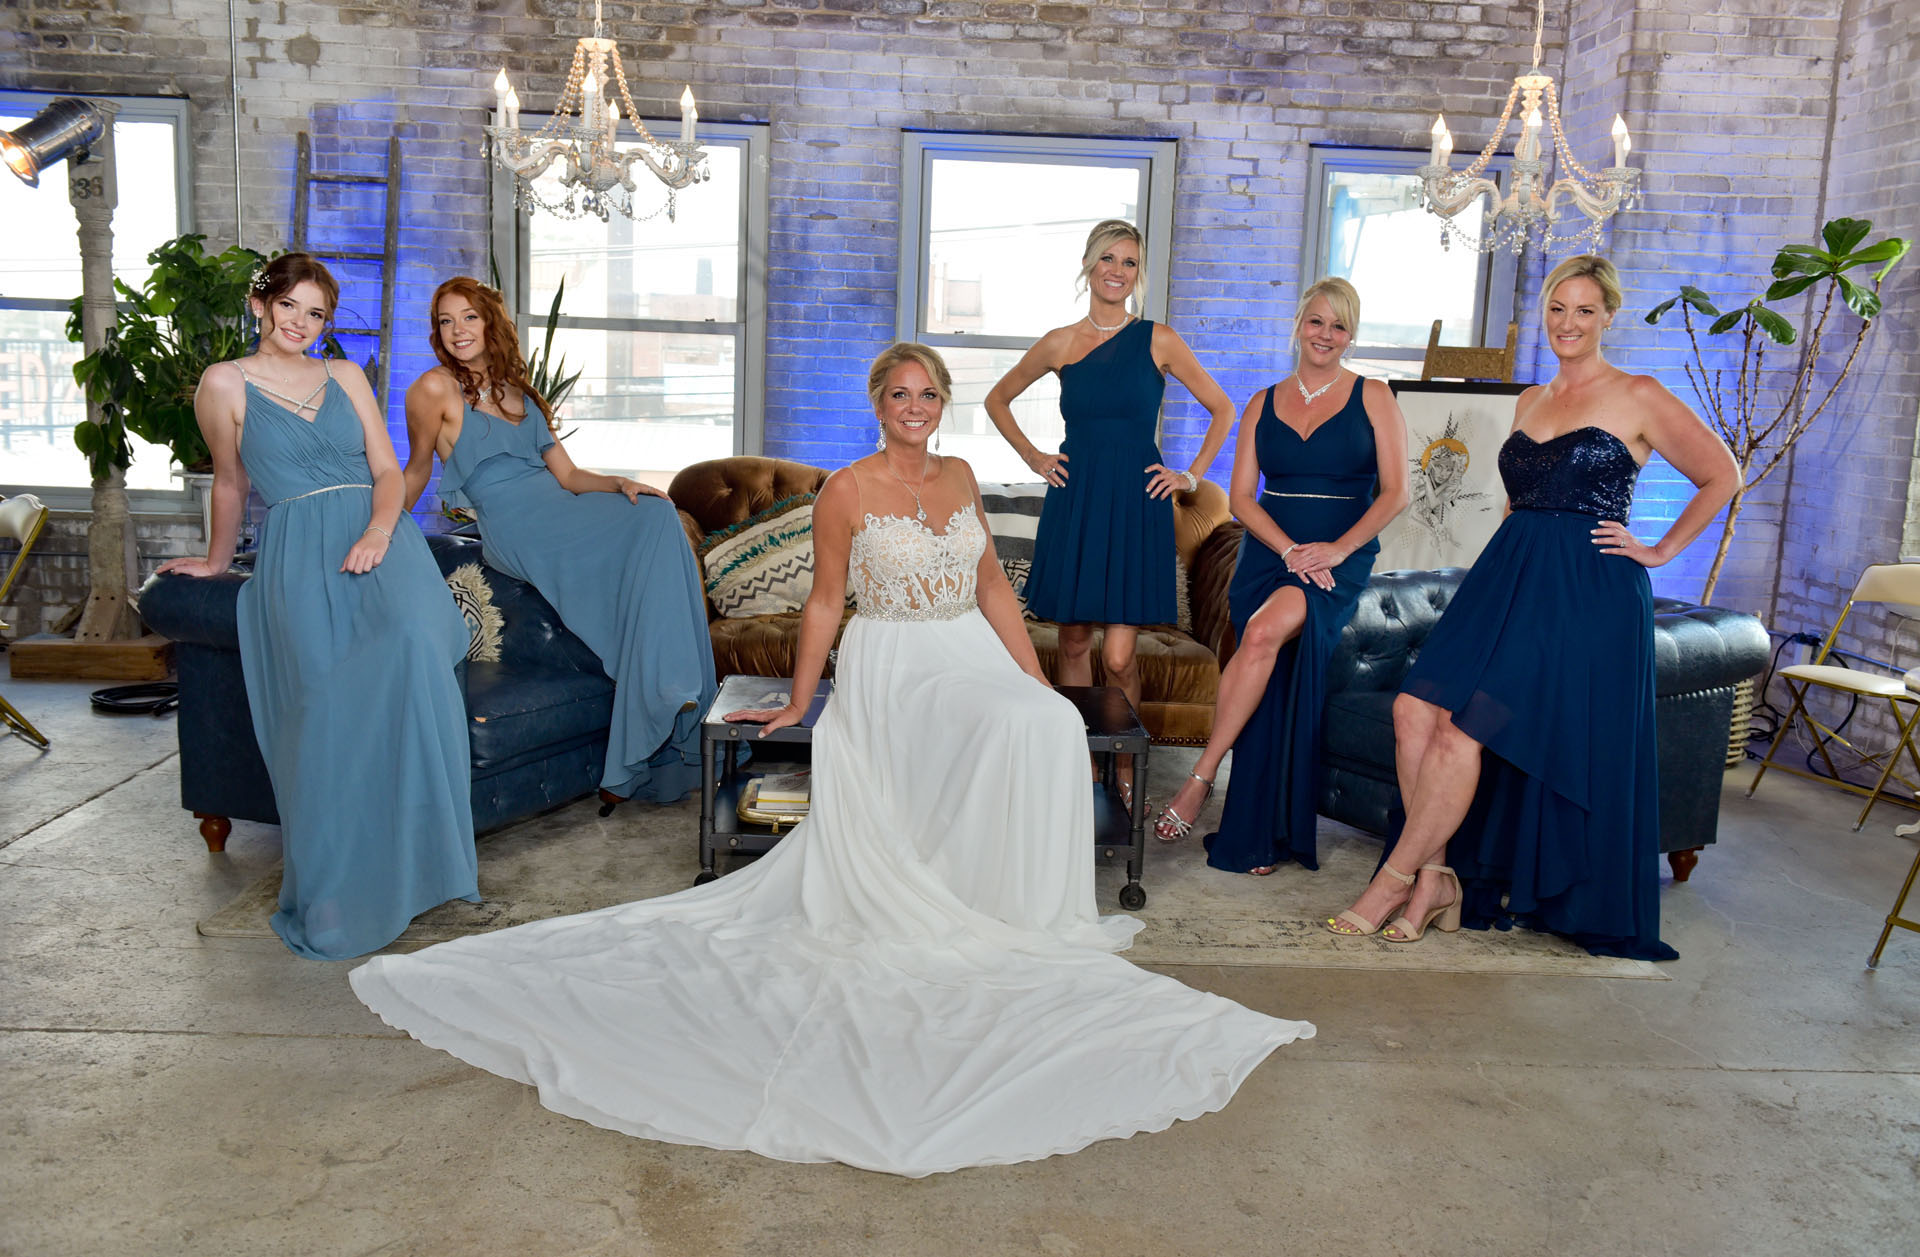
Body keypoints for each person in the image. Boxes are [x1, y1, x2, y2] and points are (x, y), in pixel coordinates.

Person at [350, 344, 1312, 1177]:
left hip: (967, 650)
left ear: (941, 405)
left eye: (926, 395)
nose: (913, 409)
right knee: (968, 729)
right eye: (897, 396)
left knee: (1046, 728)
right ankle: (937, 890)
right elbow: (823, 605)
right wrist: (806, 697)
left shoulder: (963, 477)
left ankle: (1014, 901)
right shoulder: (847, 490)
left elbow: (989, 589)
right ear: (878, 405)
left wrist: (1035, 682)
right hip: (894, 656)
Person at [1325, 256, 1738, 956]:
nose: (1568, 323)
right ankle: (1438, 876)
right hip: (1512, 573)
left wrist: (1662, 551)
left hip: (1586, 595)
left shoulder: (1637, 393)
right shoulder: (1530, 401)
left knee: (1463, 731)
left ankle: (1397, 881)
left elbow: (1721, 473)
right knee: (1411, 708)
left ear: (1608, 315)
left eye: (1583, 310)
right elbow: (1520, 504)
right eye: (1557, 309)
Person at [155, 252, 478, 960]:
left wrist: (380, 529)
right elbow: (232, 482)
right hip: (300, 554)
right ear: (259, 303)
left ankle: (422, 872)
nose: (301, 322)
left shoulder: (344, 374)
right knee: (324, 713)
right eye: (289, 306)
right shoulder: (224, 383)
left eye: (316, 313)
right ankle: (333, 887)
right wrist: (215, 561)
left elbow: (389, 470)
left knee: (417, 660)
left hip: (381, 544)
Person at [402, 277, 712, 805]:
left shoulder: (520, 395)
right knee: (652, 527)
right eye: (445, 321)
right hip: (516, 523)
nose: (457, 330)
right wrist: (383, 530)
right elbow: (414, 470)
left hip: (558, 504)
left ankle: (669, 692)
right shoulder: (432, 389)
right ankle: (665, 694)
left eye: (469, 317)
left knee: (658, 514)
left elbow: (568, 477)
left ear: (491, 322)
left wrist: (620, 483)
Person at [1153, 278, 1409, 875]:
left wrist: (1335, 551)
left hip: (1336, 557)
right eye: (1316, 321)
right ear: (1298, 324)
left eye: (1339, 326)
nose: (1326, 335)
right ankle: (1259, 834)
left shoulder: (1373, 395)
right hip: (1271, 551)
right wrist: (1290, 549)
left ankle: (1201, 776)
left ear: (1351, 334)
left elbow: (1395, 493)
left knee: (1264, 635)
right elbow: (1242, 497)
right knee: (1268, 681)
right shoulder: (1261, 401)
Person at [984, 219, 1237, 804]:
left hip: (1134, 502)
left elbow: (1223, 409)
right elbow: (997, 399)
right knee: (1072, 642)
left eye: (1128, 262)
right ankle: (1081, 762)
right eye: (1108, 259)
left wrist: (1189, 474)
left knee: (1120, 654)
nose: (1117, 270)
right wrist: (1034, 456)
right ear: (1089, 265)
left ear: (1136, 273)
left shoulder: (1159, 340)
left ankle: (1125, 761)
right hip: (1076, 496)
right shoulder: (1059, 342)